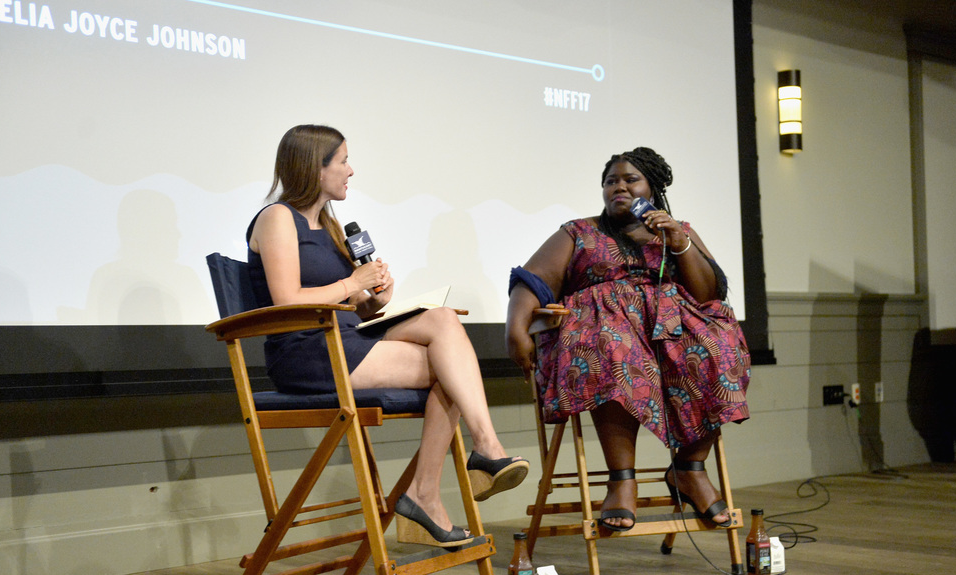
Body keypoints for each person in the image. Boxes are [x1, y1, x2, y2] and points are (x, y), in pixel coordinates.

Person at [246, 124, 528, 547]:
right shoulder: (276, 218)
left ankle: (482, 451)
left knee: (443, 319)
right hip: (305, 352)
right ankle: (430, 492)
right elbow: (287, 299)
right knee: (449, 370)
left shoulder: (331, 225)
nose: (351, 170)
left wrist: (373, 297)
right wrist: (351, 282)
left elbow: (352, 306)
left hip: (346, 337)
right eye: (342, 161)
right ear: (314, 168)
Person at [506, 147, 750, 532]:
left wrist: (678, 239)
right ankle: (621, 479)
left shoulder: (677, 231)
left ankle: (689, 470)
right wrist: (514, 328)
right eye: (610, 181)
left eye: (630, 179)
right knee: (614, 350)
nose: (618, 187)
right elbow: (531, 282)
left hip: (670, 332)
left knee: (715, 347)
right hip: (604, 331)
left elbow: (708, 295)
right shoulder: (579, 232)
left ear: (652, 188)